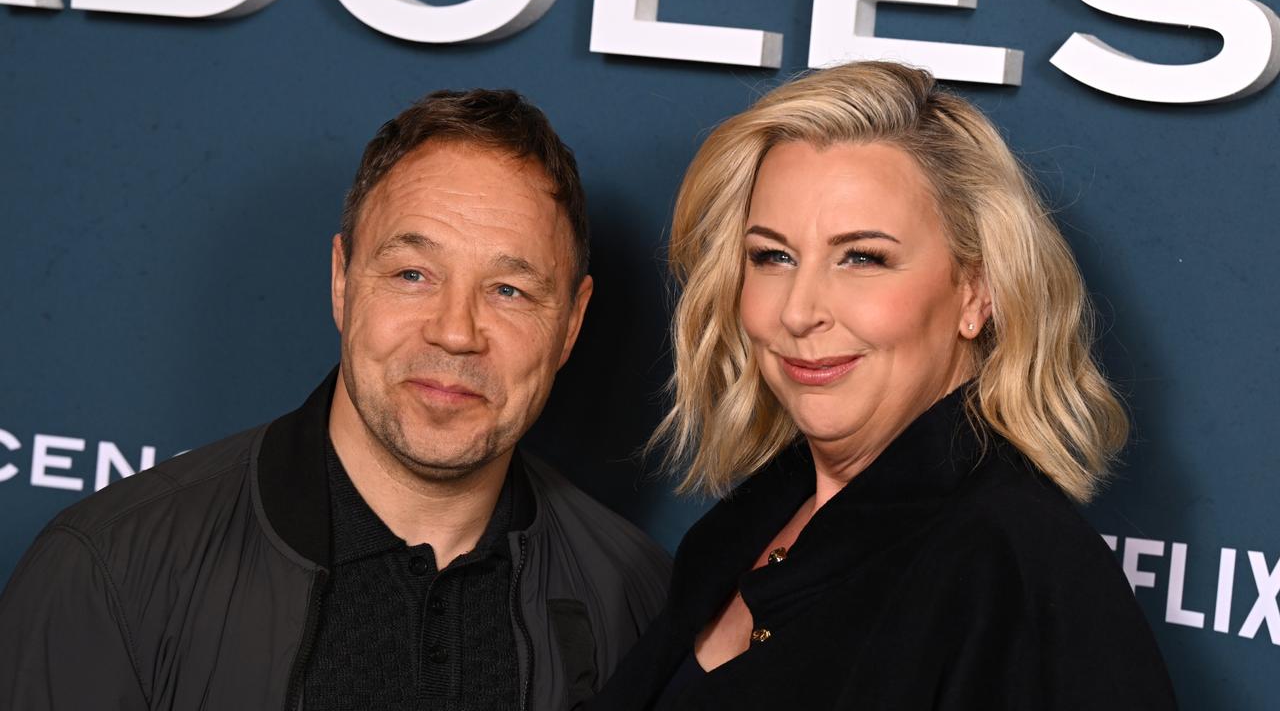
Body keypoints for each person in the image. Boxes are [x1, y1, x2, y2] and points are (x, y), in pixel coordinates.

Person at [0, 89, 671, 711]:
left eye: (509, 291)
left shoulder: (641, 606)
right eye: (413, 274)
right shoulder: (109, 573)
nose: (456, 331)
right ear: (343, 283)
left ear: (571, 325)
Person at [589, 62, 1178, 710]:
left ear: (976, 293)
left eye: (862, 258)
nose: (798, 310)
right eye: (772, 256)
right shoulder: (751, 519)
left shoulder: (1016, 569)